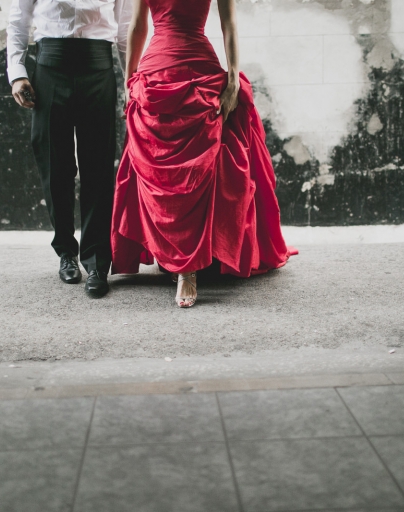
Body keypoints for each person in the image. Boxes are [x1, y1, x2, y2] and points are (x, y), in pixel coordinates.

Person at [111, 0, 297, 308]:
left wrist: (234, 78)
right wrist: (130, 83)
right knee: (164, 173)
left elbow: (229, 24)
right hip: (157, 69)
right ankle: (177, 258)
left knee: (198, 172)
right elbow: (136, 26)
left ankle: (188, 269)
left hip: (198, 66)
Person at [7, 0, 132, 298]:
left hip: (98, 66)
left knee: (98, 168)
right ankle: (66, 251)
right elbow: (18, 19)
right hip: (50, 66)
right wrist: (17, 71)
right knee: (54, 165)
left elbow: (126, 29)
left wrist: (131, 81)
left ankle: (98, 261)